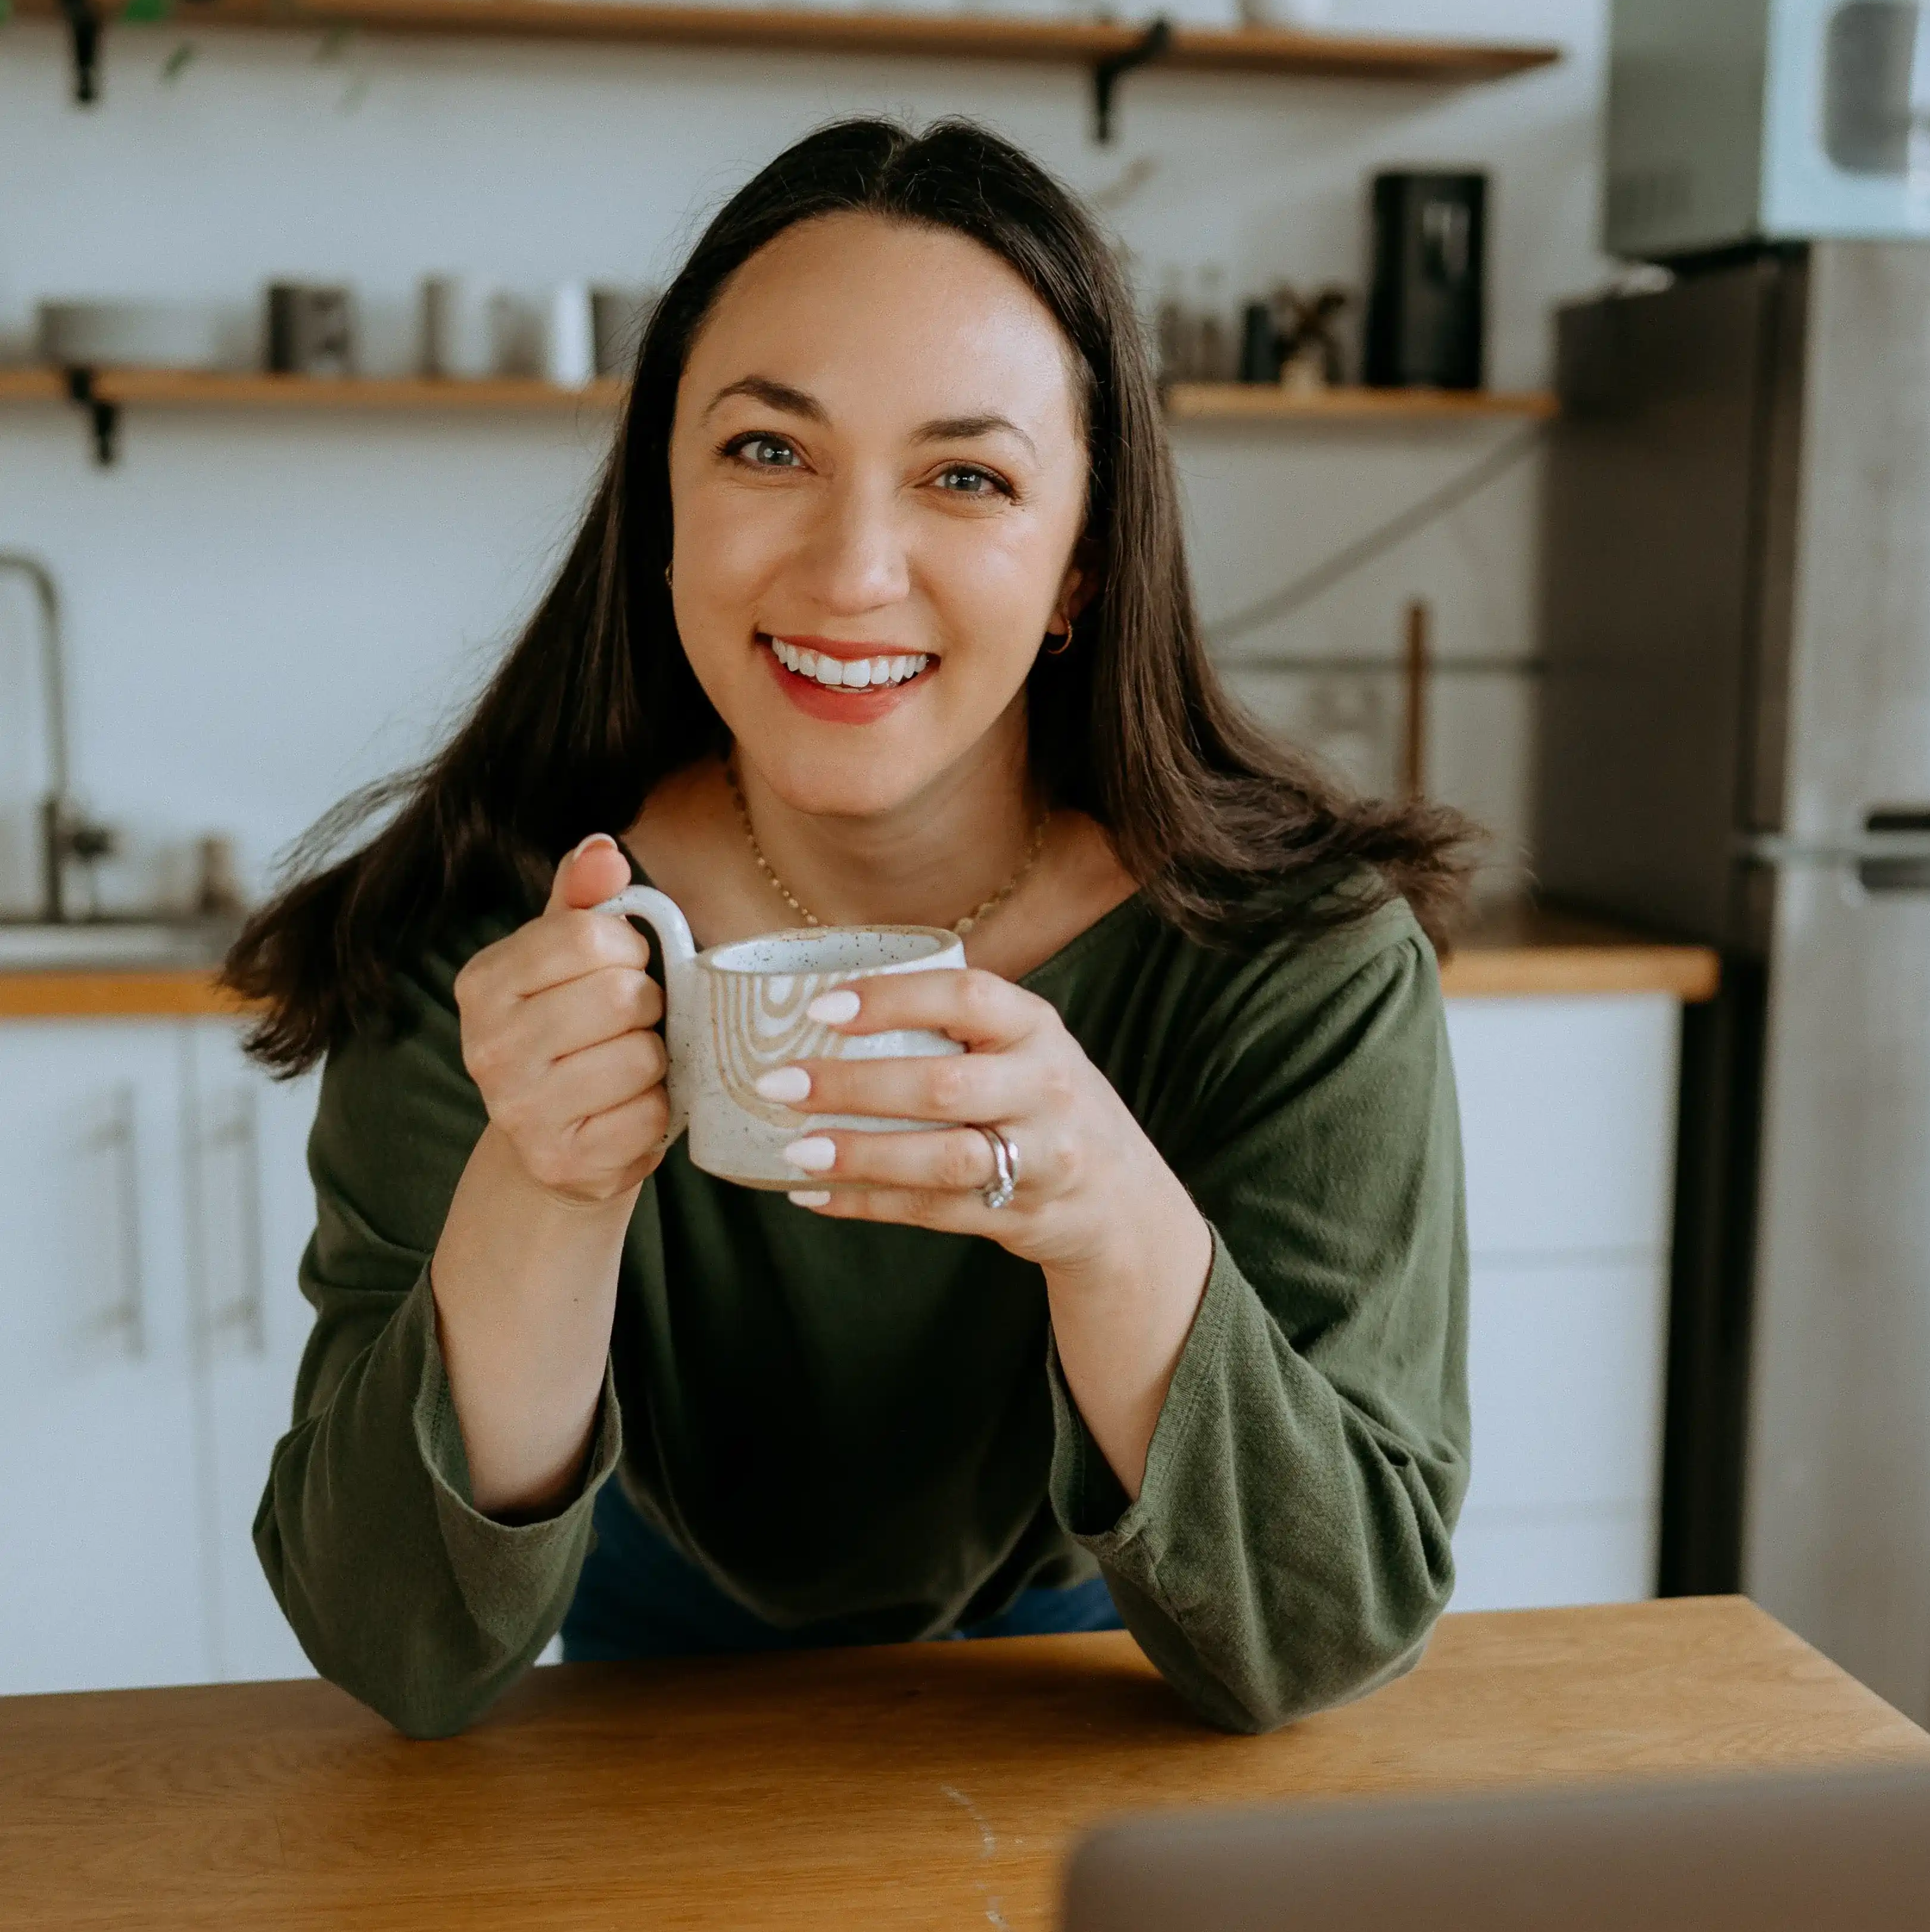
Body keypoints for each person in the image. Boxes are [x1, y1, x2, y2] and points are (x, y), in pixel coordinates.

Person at [226, 118, 1471, 1738]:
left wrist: (1101, 1207)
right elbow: (399, 1649)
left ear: (1082, 558)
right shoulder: (486, 941)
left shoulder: (1301, 963)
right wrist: (543, 1178)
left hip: (1110, 1725)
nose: (852, 567)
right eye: (766, 451)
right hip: (645, 1763)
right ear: (660, 496)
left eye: (966, 476)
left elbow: (1323, 1637)